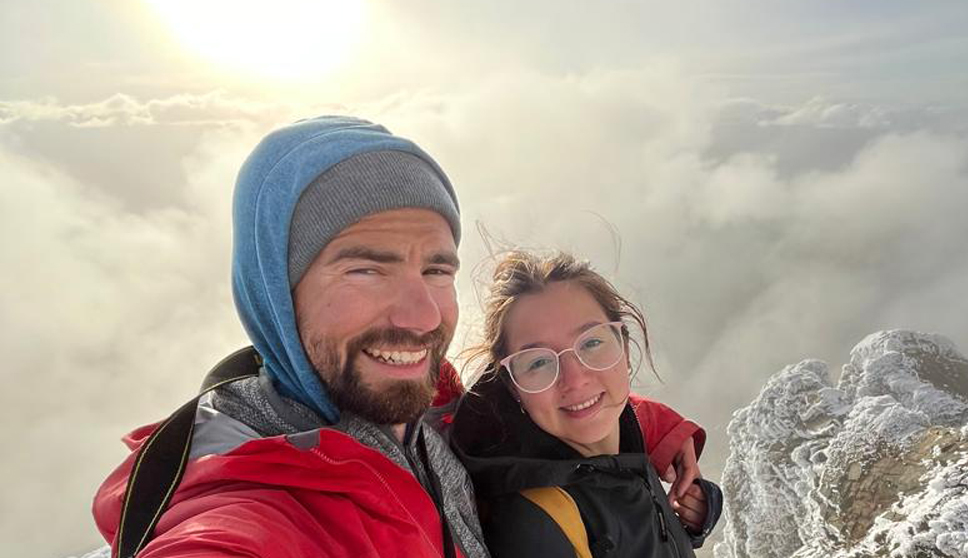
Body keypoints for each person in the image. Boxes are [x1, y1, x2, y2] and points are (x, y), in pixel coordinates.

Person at [92, 115, 701, 558]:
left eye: (436, 269)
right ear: (278, 293)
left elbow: (551, 399)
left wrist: (658, 434)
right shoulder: (255, 500)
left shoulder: (429, 405)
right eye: (366, 267)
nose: (421, 316)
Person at [450, 250, 723, 558]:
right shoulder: (537, 523)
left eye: (591, 343)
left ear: (625, 349)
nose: (575, 379)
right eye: (538, 362)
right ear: (514, 389)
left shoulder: (623, 453)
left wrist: (688, 518)